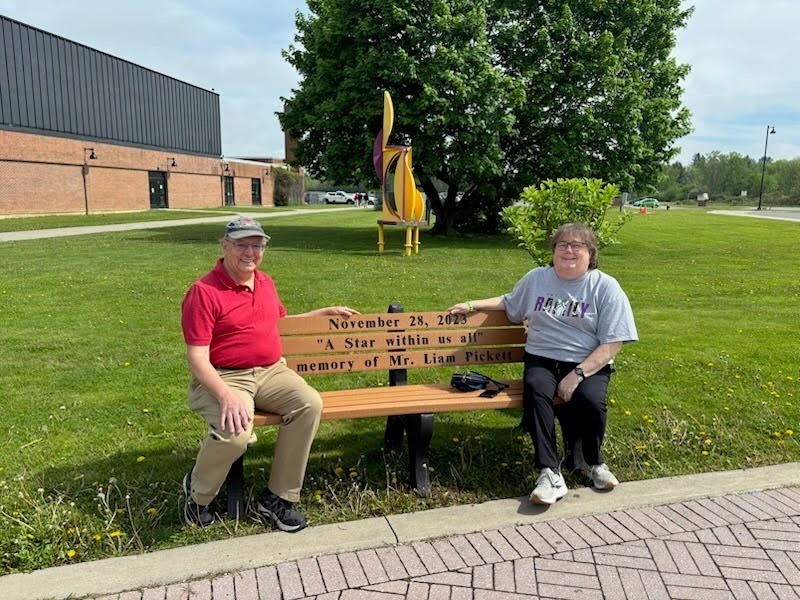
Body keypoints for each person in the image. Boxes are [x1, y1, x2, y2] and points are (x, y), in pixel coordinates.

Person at [180, 216, 359, 531]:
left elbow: (276, 322)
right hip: (224, 376)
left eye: (257, 245)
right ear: (224, 246)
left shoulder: (264, 282)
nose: (250, 252)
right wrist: (226, 396)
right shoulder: (204, 292)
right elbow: (197, 357)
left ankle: (278, 498)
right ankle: (198, 494)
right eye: (242, 244)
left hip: (271, 372)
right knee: (236, 435)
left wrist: (320, 314)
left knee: (309, 404)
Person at [447, 223, 637, 505]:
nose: (569, 250)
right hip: (542, 359)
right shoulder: (537, 278)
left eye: (577, 245)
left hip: (587, 363)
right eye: (562, 245)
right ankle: (549, 473)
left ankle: (593, 463)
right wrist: (473, 305)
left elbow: (614, 342)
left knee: (591, 400)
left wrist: (577, 375)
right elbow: (510, 301)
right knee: (536, 392)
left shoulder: (605, 287)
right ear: (553, 250)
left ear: (590, 252)